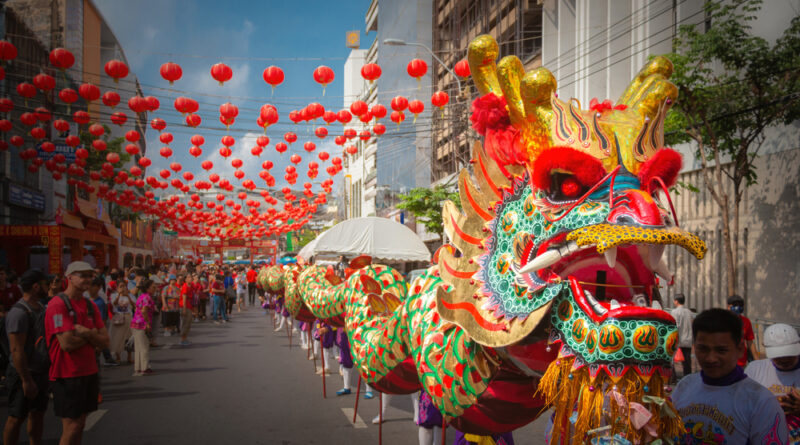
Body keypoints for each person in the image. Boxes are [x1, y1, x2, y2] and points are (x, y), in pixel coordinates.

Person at [671, 308, 788, 443]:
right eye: (703, 349)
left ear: (740, 349)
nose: (711, 358)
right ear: (694, 346)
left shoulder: (760, 402)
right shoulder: (684, 387)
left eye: (721, 350)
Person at [45, 261, 109, 444]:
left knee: (80, 423)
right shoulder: (57, 304)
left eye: (90, 275)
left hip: (89, 371)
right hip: (67, 373)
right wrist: (93, 337)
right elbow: (66, 343)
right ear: (69, 277)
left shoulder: (90, 305)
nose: (87, 279)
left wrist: (86, 332)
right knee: (71, 426)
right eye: (82, 275)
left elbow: (105, 341)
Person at [2, 269, 50, 445]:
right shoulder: (19, 313)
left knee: (37, 414)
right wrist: (25, 379)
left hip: (40, 371)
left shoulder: (42, 308)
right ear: (36, 286)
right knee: (16, 417)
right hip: (23, 373)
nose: (48, 287)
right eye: (45, 284)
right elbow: (16, 350)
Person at [746, 323, 800, 443]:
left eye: (789, 354)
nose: (785, 360)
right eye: (778, 356)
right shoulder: (755, 369)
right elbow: (742, 404)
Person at [87, 277, 117, 366]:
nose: (89, 288)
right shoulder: (87, 301)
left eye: (92, 286)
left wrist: (99, 337)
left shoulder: (100, 303)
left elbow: (102, 321)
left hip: (96, 333)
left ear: (98, 287)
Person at [131, 279, 156, 376]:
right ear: (148, 288)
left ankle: (138, 368)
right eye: (153, 287)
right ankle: (144, 368)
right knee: (144, 347)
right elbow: (144, 311)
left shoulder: (141, 296)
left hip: (135, 323)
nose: (155, 289)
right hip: (142, 324)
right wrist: (148, 323)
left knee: (138, 347)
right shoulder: (147, 297)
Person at [109, 283, 135, 364]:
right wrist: (119, 295)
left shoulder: (130, 295)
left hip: (128, 317)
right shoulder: (114, 295)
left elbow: (134, 305)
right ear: (117, 288)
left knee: (129, 338)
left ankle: (129, 356)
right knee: (117, 337)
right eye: (121, 286)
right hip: (118, 317)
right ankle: (118, 356)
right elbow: (114, 303)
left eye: (124, 286)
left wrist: (128, 296)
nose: (123, 288)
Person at [728, 294, 755, 367]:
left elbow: (750, 342)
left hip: (741, 362)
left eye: (740, 305)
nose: (737, 307)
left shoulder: (746, 321)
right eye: (735, 304)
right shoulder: (721, 321)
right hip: (726, 362)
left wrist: (757, 360)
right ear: (728, 307)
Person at [671, 293, 694, 377]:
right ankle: (687, 377)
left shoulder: (674, 312)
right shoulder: (689, 312)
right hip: (688, 340)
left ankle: (673, 377)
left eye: (674, 300)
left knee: (672, 360)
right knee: (687, 362)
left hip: (678, 340)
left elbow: (675, 326)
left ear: (676, 301)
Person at [178, 275, 193, 346]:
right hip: (185, 306)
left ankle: (185, 338)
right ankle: (183, 339)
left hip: (189, 306)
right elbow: (184, 297)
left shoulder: (190, 286)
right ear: (186, 279)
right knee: (185, 323)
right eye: (189, 277)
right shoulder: (185, 286)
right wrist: (184, 308)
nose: (191, 278)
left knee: (188, 323)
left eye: (191, 277)